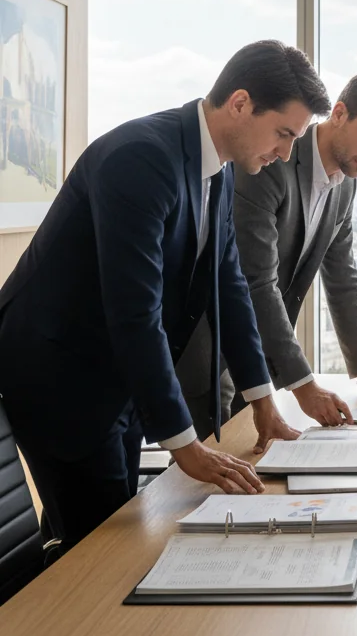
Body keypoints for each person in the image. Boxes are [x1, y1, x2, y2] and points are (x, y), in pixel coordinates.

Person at [0, 39, 332, 550]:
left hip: (119, 375)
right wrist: (185, 444)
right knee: (103, 549)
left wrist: (261, 397)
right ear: (241, 104)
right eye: (284, 133)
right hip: (63, 377)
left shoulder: (216, 166)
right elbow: (136, 312)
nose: (288, 152)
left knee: (93, 532)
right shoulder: (142, 158)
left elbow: (231, 284)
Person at [177, 71, 357, 438]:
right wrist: (304, 384)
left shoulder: (345, 185)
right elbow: (257, 280)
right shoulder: (272, 161)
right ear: (338, 114)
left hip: (262, 350)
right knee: (208, 477)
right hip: (209, 345)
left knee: (258, 464)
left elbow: (342, 277)